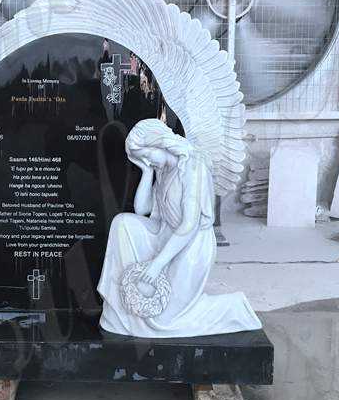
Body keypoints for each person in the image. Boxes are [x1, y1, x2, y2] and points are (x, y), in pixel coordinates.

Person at [97, 118, 261, 338]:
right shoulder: (163, 170)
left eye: (146, 154)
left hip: (191, 245)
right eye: (141, 157)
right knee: (122, 223)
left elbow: (188, 226)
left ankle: (235, 308)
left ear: (160, 143)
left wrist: (156, 265)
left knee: (164, 318)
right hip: (164, 234)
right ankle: (119, 310)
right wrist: (147, 172)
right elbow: (141, 209)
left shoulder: (192, 166)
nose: (145, 160)